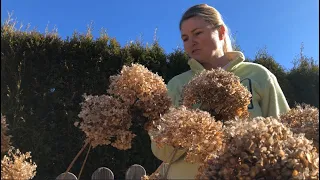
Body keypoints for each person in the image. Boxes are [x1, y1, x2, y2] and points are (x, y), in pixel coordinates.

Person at [148, 3, 290, 179]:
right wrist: (190, 129)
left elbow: (285, 136)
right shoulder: (177, 84)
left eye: (197, 33)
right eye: (185, 38)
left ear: (221, 32)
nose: (191, 42)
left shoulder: (258, 75)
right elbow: (161, 150)